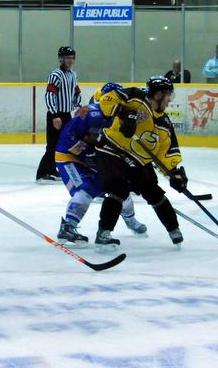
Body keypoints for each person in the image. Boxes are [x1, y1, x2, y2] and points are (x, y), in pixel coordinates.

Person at [93, 76, 187, 251]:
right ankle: (104, 232)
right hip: (111, 150)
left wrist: (174, 173)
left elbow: (165, 153)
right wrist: (124, 113)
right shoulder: (135, 96)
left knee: (154, 192)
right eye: (168, 95)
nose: (169, 100)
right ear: (158, 95)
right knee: (117, 188)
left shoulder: (164, 123)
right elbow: (106, 100)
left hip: (137, 159)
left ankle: (173, 228)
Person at [54, 82, 148, 246]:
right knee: (86, 188)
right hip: (69, 156)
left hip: (89, 157)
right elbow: (80, 138)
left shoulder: (112, 114)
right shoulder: (92, 112)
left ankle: (130, 220)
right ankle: (68, 227)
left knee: (118, 186)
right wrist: (92, 155)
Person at [36, 46, 81, 183]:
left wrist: (78, 107)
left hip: (67, 114)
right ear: (61, 59)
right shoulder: (56, 75)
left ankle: (52, 170)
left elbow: (76, 92)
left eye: (72, 57)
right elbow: (49, 95)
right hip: (56, 115)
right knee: (53, 144)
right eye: (67, 57)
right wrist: (54, 114)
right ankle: (42, 173)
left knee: (63, 144)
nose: (70, 60)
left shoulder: (73, 75)